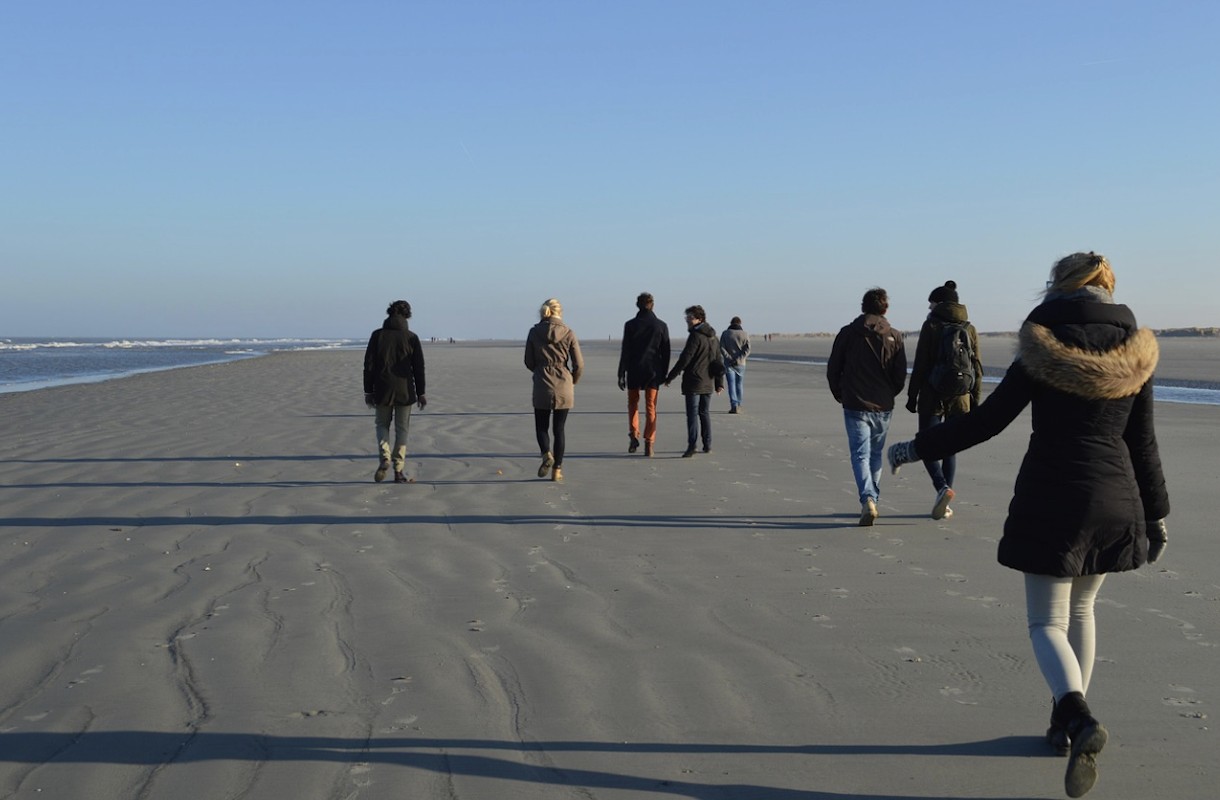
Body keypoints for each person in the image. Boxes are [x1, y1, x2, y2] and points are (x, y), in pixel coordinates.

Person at [888, 252, 1169, 798]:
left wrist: (916, 445)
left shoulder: (1042, 346)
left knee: (1046, 624)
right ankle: (1064, 727)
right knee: (1083, 610)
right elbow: (1143, 443)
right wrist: (1156, 515)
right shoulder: (1138, 352)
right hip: (1117, 499)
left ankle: (1077, 716)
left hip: (1053, 497)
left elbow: (987, 423)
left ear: (1057, 288)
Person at [827, 287, 907, 526]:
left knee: (861, 454)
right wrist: (890, 393)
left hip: (857, 402)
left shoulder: (848, 333)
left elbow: (833, 369)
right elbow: (900, 374)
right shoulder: (893, 335)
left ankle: (868, 498)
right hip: (880, 404)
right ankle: (871, 498)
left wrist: (839, 393)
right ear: (885, 308)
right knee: (872, 454)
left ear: (863, 306)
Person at [904, 280, 983, 519]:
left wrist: (912, 395)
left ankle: (942, 488)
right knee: (950, 447)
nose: (929, 308)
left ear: (939, 303)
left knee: (926, 444)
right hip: (961, 397)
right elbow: (977, 368)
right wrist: (975, 400)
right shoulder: (969, 328)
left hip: (932, 394)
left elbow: (921, 364)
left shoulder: (932, 325)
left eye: (931, 304)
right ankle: (945, 501)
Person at [363, 300, 427, 484]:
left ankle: (385, 457)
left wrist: (368, 391)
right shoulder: (411, 337)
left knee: (382, 425)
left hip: (381, 388)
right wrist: (421, 392)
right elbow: (418, 367)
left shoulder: (377, 336)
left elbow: (368, 365)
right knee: (402, 429)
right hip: (405, 390)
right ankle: (398, 471)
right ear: (407, 316)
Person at [525, 298, 584, 482]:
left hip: (542, 382)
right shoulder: (568, 332)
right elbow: (579, 364)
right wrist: (573, 380)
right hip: (564, 383)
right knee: (559, 429)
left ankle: (546, 454)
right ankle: (557, 470)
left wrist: (539, 369)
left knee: (541, 426)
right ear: (560, 312)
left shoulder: (534, 332)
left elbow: (528, 360)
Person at [664, 305, 723, 457]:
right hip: (708, 381)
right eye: (687, 318)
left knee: (693, 414)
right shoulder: (713, 337)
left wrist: (670, 376)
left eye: (690, 318)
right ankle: (707, 444)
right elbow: (718, 361)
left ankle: (692, 446)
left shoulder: (696, 336)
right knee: (704, 413)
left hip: (695, 381)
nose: (687, 321)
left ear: (699, 319)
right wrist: (719, 383)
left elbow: (685, 359)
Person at [617, 292, 671, 457]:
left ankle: (634, 434)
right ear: (652, 305)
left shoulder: (630, 325)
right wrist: (665, 372)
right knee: (651, 407)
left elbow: (625, 350)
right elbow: (666, 351)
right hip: (653, 371)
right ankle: (649, 442)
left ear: (637, 305)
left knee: (633, 403)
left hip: (634, 369)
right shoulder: (661, 325)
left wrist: (621, 373)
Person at [720, 316, 751, 413]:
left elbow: (722, 348)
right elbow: (747, 349)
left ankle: (734, 405)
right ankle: (739, 404)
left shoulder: (725, 334)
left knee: (731, 384)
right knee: (739, 384)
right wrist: (739, 358)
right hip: (741, 363)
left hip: (729, 363)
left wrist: (729, 358)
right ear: (740, 323)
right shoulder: (745, 334)